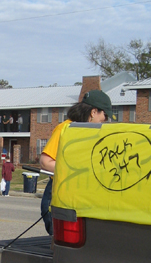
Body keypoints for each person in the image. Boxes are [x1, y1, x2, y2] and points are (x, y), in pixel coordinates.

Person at [39, 89, 115, 235]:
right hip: (59, 191)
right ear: (93, 112)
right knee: (60, 239)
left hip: (79, 192)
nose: (105, 120)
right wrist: (77, 172)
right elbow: (45, 162)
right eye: (105, 115)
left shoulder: (90, 132)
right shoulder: (66, 128)